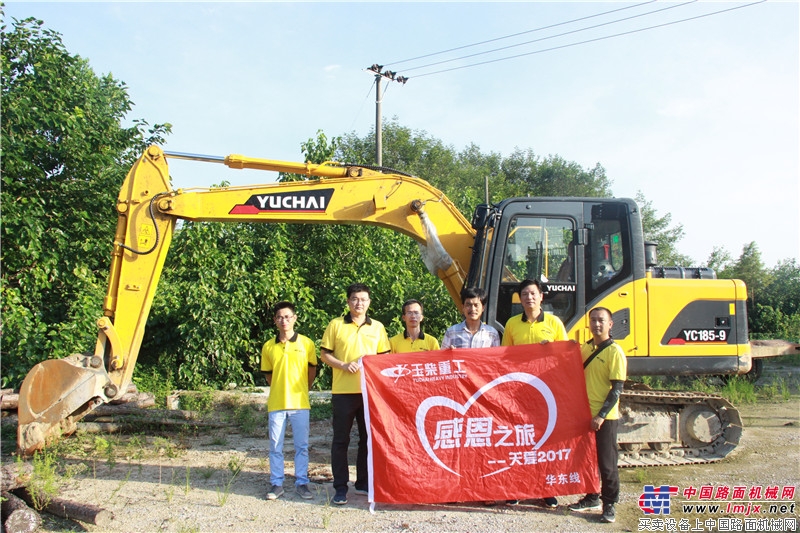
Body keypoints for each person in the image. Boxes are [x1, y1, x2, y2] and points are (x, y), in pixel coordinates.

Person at [319, 283, 390, 505]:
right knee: (341, 439)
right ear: (348, 301)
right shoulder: (336, 325)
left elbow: (384, 358)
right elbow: (324, 354)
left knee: (367, 440)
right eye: (354, 299)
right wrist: (342, 364)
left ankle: (363, 482)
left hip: (369, 392)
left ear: (369, 302)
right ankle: (340, 487)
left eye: (363, 299)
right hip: (343, 392)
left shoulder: (377, 327)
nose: (359, 303)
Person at [502, 278, 568, 508]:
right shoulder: (511, 324)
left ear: (541, 296)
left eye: (533, 293)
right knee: (519, 439)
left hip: (546, 390)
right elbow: (504, 358)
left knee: (545, 440)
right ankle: (517, 487)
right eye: (524, 294)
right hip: (519, 391)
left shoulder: (554, 322)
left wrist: (550, 351)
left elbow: (565, 356)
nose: (529, 298)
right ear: (519, 299)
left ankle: (546, 488)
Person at [568, 307, 626, 524]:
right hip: (584, 414)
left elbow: (617, 388)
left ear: (610, 324)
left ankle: (609, 503)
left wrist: (601, 415)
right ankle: (592, 496)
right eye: (593, 320)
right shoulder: (586, 348)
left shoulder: (615, 352)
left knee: (607, 463)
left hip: (605, 418)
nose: (596, 324)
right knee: (588, 460)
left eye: (601, 320)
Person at [261, 301, 318, 501]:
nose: (284, 320)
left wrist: (303, 388)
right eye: (279, 317)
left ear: (294, 318)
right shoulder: (268, 346)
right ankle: (276, 483)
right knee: (275, 445)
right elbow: (269, 375)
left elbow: (312, 371)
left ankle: (302, 482)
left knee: (301, 446)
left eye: (287, 316)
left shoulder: (307, 343)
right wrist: (280, 386)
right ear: (275, 321)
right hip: (276, 403)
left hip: (300, 403)